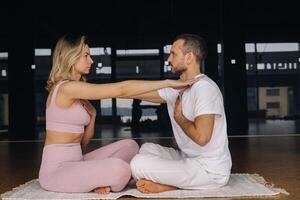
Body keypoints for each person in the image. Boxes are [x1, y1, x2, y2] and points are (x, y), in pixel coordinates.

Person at [38, 35, 195, 194]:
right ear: (70, 57)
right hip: (56, 171)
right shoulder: (66, 88)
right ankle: (101, 177)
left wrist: (92, 117)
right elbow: (122, 90)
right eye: (86, 55)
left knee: (130, 145)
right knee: (120, 169)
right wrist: (167, 82)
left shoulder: (77, 91)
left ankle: (96, 178)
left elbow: (83, 143)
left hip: (76, 161)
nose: (91, 61)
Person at [129, 34, 232, 193]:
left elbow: (202, 138)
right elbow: (135, 92)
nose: (169, 59)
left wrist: (180, 118)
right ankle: (175, 182)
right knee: (147, 149)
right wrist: (102, 91)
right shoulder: (177, 89)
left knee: (137, 164)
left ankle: (172, 185)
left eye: (173, 54)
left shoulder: (205, 88)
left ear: (189, 57)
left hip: (210, 170)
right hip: (188, 160)